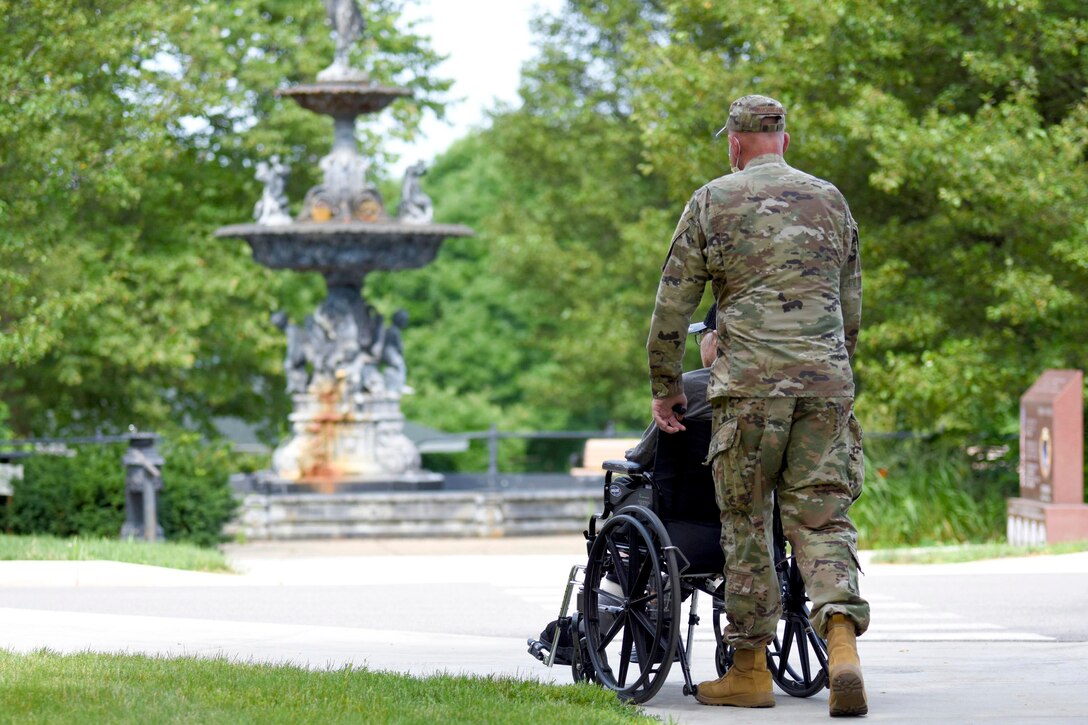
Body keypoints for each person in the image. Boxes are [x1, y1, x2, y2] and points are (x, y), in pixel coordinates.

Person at [646, 94, 869, 716]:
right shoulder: (832, 201)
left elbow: (673, 306)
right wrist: (835, 374)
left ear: (734, 145)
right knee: (822, 520)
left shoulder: (713, 199)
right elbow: (850, 309)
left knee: (745, 522)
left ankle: (748, 670)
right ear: (785, 142)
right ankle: (843, 646)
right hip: (825, 384)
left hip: (748, 388)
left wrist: (666, 384)